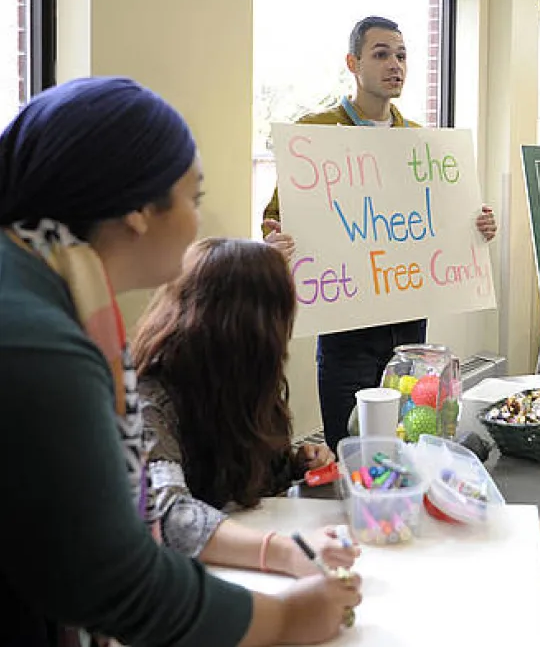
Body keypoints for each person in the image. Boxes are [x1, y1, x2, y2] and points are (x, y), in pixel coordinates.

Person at [0, 77, 360, 647]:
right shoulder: (41, 345)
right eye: (193, 198)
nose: (199, 221)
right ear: (141, 210)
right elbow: (115, 579)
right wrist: (289, 618)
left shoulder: (41, 299)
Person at [262, 16, 496, 453]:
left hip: (409, 320)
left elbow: (446, 219)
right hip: (346, 322)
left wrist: (478, 226)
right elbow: (276, 218)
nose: (395, 65)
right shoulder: (316, 133)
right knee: (349, 444)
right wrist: (273, 245)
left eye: (402, 55)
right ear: (353, 62)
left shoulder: (420, 143)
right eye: (381, 54)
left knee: (411, 437)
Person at [134, 237, 360, 578]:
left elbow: (247, 478)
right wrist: (287, 552)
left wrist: (298, 464)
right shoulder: (148, 398)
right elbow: (168, 516)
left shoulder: (237, 385)